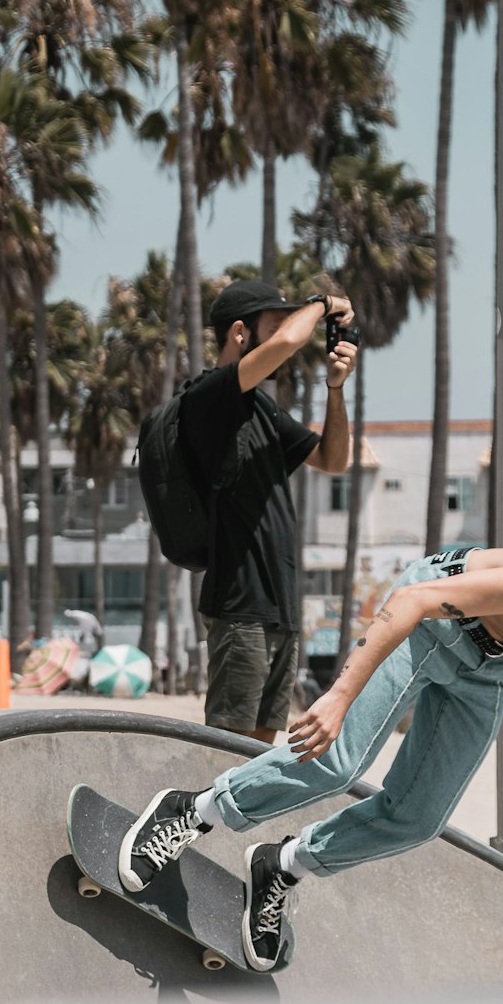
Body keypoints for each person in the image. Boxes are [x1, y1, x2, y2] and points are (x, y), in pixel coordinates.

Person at [117, 496, 503, 970]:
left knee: (419, 817)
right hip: (433, 625)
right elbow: (415, 599)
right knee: (336, 763)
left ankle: (282, 865)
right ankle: (191, 811)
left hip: (496, 665)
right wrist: (337, 696)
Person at [176, 279, 357, 742]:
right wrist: (322, 304)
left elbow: (334, 461)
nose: (288, 341)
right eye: (273, 324)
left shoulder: (263, 410)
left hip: (280, 608)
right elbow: (292, 339)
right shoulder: (208, 395)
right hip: (238, 606)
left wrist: (335, 390)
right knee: (224, 751)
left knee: (256, 753)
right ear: (240, 333)